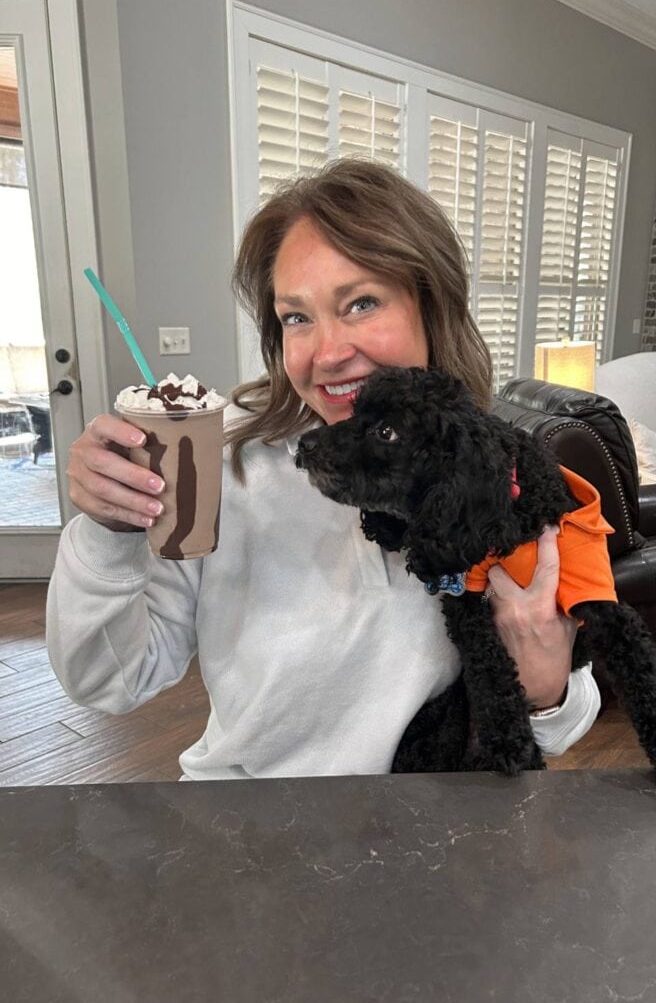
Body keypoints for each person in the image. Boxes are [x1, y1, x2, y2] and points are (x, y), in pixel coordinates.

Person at [46, 158, 600, 780]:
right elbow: (110, 682)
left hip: (428, 825)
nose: (330, 354)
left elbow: (560, 725)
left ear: (431, 306)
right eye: (297, 318)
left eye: (362, 303)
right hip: (246, 828)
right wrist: (107, 533)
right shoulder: (222, 463)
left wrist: (547, 684)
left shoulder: (489, 471)